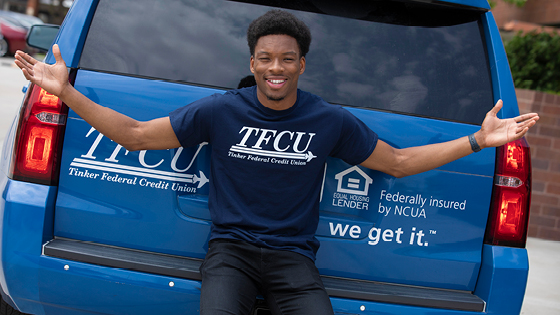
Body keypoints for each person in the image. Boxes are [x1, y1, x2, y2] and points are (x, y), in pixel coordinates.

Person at [15, 9, 538, 315]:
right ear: (252, 63)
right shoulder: (221, 110)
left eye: (287, 58)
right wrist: (67, 93)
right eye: (265, 58)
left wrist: (476, 141)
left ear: (301, 65)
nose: (276, 68)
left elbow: (398, 162)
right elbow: (133, 135)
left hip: (293, 259)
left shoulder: (328, 120)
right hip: (230, 253)